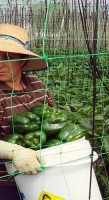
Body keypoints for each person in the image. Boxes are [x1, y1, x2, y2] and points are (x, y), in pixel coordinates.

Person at [0, 23, 56, 199]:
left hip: (46, 172)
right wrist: (15, 152)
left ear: (22, 59)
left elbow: (55, 124)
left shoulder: (37, 85)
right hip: (6, 182)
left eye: (7, 56)